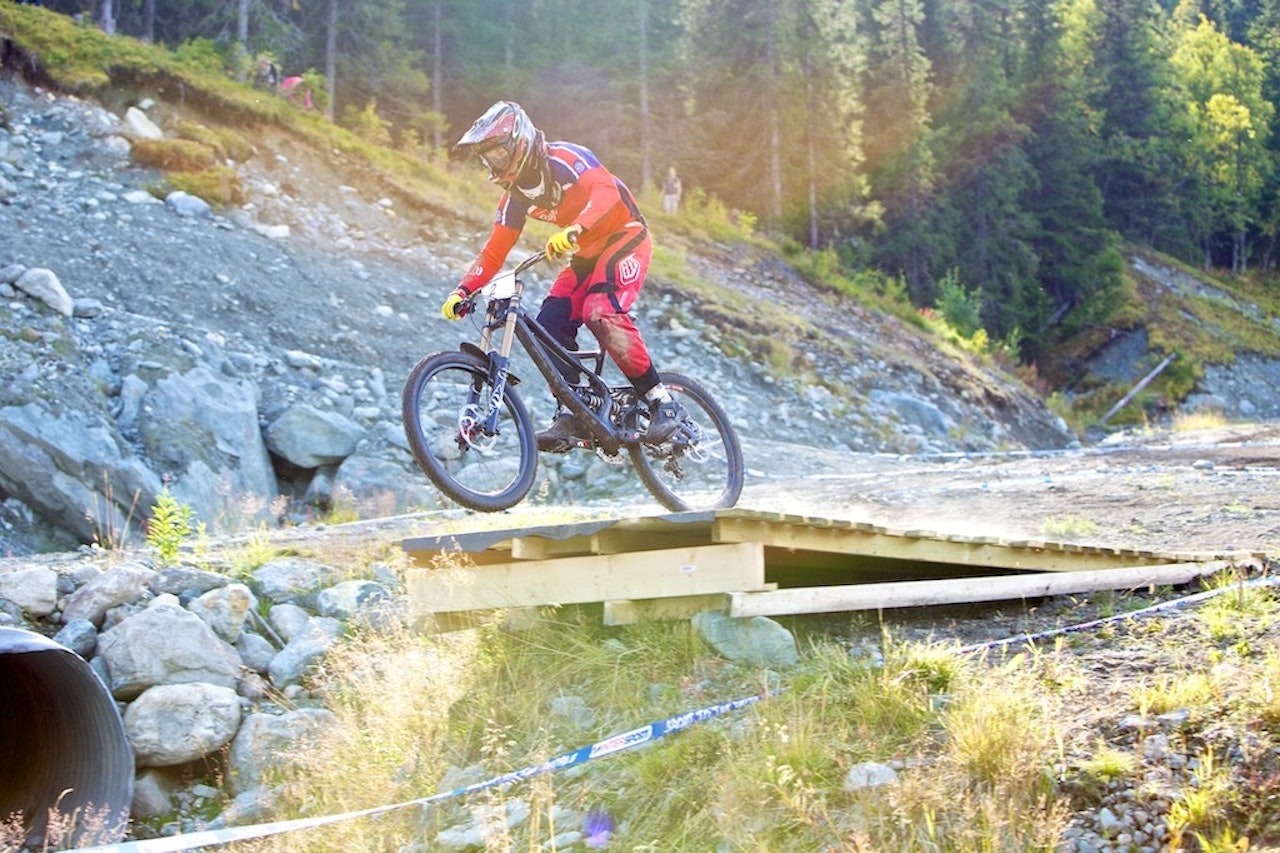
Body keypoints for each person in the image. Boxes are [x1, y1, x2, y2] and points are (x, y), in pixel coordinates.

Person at [445, 100, 686, 451]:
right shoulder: (514, 198)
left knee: (600, 311)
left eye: (498, 154)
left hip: (625, 236)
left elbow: (606, 189)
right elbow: (494, 252)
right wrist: (463, 289)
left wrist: (577, 227)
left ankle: (660, 400)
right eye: (488, 159)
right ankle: (577, 412)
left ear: (519, 143)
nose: (493, 164)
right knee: (547, 327)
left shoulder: (565, 159)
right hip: (586, 252)